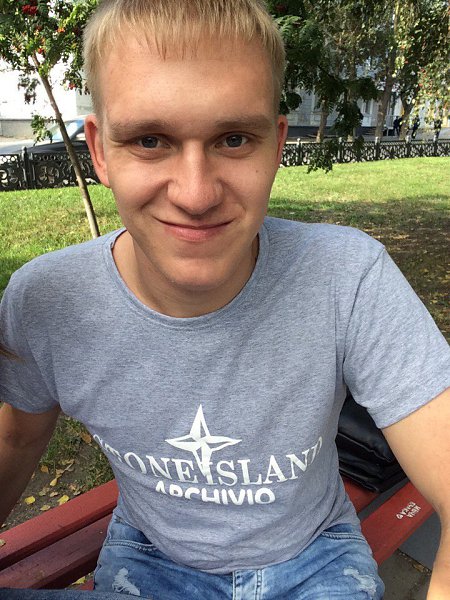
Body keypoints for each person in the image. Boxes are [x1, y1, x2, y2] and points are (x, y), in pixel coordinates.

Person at [1, 1, 449, 598]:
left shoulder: (346, 278)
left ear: (277, 146)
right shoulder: (47, 302)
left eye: (234, 139)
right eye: (150, 140)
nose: (196, 194)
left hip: (314, 556)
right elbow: (16, 438)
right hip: (150, 556)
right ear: (100, 152)